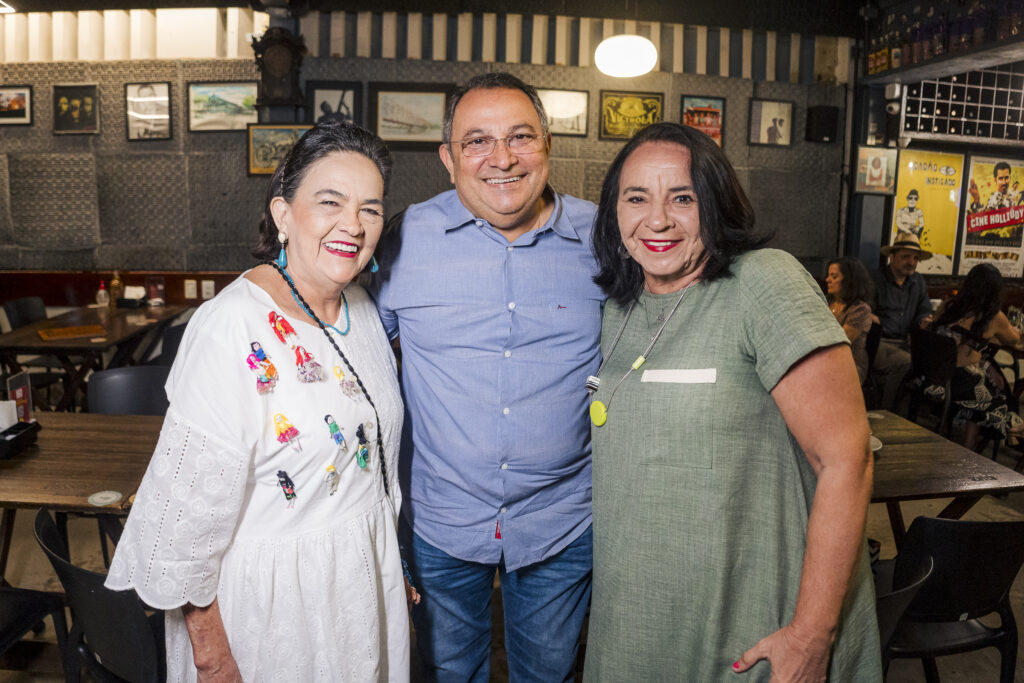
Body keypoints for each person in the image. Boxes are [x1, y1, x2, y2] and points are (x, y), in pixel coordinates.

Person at [105, 121, 411, 681]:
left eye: (370, 208)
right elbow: (185, 514)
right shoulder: (231, 326)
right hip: (271, 608)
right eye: (330, 202)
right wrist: (212, 655)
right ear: (283, 214)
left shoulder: (361, 309)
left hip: (359, 587)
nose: (354, 224)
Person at [584, 122, 879, 681]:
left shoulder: (763, 281)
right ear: (613, 211)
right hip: (640, 617)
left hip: (750, 620)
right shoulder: (620, 306)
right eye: (636, 198)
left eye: (683, 198)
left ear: (716, 203)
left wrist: (812, 635)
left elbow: (848, 457)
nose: (658, 219)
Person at [371, 72, 602, 682]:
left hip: (562, 520)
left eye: (520, 137)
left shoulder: (607, 239)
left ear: (548, 146)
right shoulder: (401, 239)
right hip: (440, 521)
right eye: (477, 142)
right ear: (449, 159)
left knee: (549, 676)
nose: (502, 159)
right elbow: (356, 359)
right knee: (450, 676)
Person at [928, 263, 1024, 448]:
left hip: (934, 375)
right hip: (959, 384)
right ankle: (1012, 430)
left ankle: (971, 441)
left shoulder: (948, 306)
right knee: (1000, 393)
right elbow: (1013, 339)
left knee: (990, 376)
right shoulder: (992, 316)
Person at [871, 233, 934, 409]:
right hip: (878, 342)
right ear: (892, 257)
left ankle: (910, 416)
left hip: (905, 342)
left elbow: (925, 310)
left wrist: (924, 319)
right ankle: (886, 412)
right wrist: (869, 313)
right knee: (906, 362)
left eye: (915, 258)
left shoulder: (918, 281)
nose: (911, 262)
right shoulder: (876, 279)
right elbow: (865, 306)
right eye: (905, 256)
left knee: (930, 361)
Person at [826, 256, 875, 384]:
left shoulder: (860, 309)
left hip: (850, 364)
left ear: (848, 280)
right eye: (828, 276)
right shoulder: (827, 303)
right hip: (827, 358)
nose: (827, 280)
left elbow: (839, 342)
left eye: (834, 277)